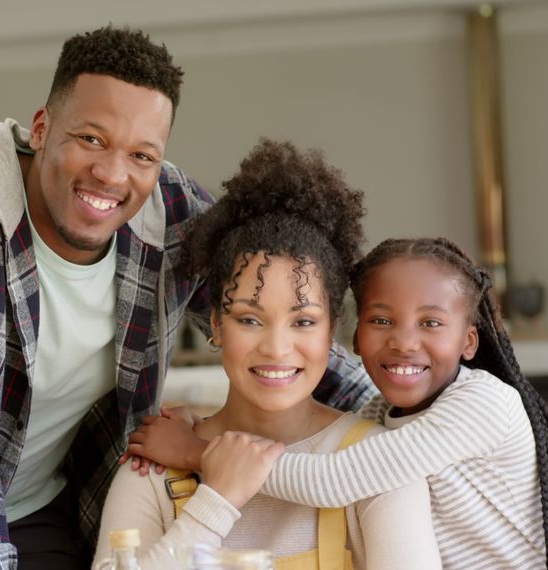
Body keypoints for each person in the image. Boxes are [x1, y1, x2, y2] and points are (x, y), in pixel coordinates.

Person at [0, 26, 372, 570]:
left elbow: (282, 323)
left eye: (142, 154)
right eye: (91, 138)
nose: (114, 175)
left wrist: (407, 407)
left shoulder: (171, 214)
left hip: (38, 504)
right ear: (40, 129)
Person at [127, 237, 548, 569]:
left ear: (469, 341)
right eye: (382, 320)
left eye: (431, 323)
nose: (404, 343)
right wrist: (196, 419)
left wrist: (194, 452)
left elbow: (333, 478)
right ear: (352, 339)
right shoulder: (376, 418)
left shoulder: (485, 403)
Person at [94, 140, 441, 569]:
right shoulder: (154, 468)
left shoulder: (377, 463)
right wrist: (216, 500)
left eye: (303, 321)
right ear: (216, 324)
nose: (276, 348)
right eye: (249, 319)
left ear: (332, 330)